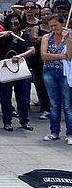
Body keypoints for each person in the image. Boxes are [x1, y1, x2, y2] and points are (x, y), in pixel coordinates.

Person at [0, 14, 35, 132]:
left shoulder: (24, 36)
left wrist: (20, 56)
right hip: (6, 68)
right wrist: (2, 34)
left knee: (22, 97)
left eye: (16, 23)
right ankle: (7, 121)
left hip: (20, 68)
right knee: (5, 97)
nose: (13, 26)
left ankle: (24, 120)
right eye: (11, 24)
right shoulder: (3, 36)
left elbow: (32, 50)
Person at [40, 14, 72, 144]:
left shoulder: (69, 35)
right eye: (51, 26)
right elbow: (44, 55)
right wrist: (61, 56)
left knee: (68, 105)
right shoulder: (46, 37)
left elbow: (69, 56)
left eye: (55, 25)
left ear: (63, 23)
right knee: (54, 104)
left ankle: (70, 134)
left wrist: (68, 40)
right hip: (49, 71)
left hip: (65, 72)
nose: (53, 28)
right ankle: (54, 132)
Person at [29, 7, 53, 119]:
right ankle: (45, 108)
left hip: (54, 60)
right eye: (43, 14)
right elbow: (34, 39)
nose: (45, 16)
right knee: (41, 85)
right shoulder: (36, 27)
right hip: (38, 60)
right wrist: (48, 37)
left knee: (53, 85)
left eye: (48, 13)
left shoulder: (56, 27)